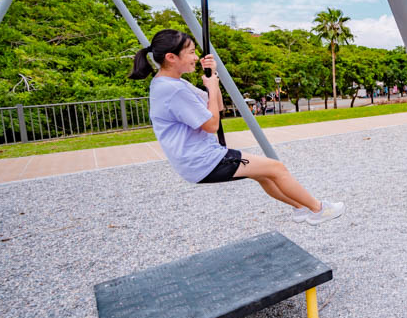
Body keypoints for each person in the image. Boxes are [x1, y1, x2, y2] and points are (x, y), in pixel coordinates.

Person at [129, 29, 343, 225]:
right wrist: (212, 87)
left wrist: (214, 80)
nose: (196, 57)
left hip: (201, 158)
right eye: (191, 52)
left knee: (264, 173)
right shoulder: (173, 90)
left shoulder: (172, 83)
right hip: (203, 161)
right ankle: (318, 209)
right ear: (171, 57)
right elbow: (212, 125)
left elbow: (217, 107)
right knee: (277, 168)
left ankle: (301, 208)